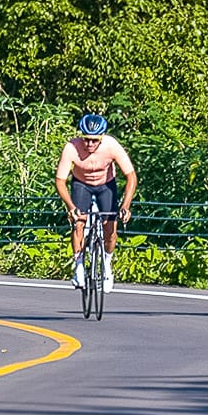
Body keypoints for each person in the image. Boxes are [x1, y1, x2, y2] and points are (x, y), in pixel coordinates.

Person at [55, 113, 138, 295]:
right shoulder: (71, 148)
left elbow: (131, 176)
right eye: (86, 139)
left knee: (110, 228)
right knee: (79, 223)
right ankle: (78, 266)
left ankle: (107, 263)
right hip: (81, 184)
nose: (90, 144)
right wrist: (71, 206)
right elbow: (60, 181)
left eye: (94, 141)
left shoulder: (111, 145)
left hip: (106, 185)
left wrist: (125, 206)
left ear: (102, 138)